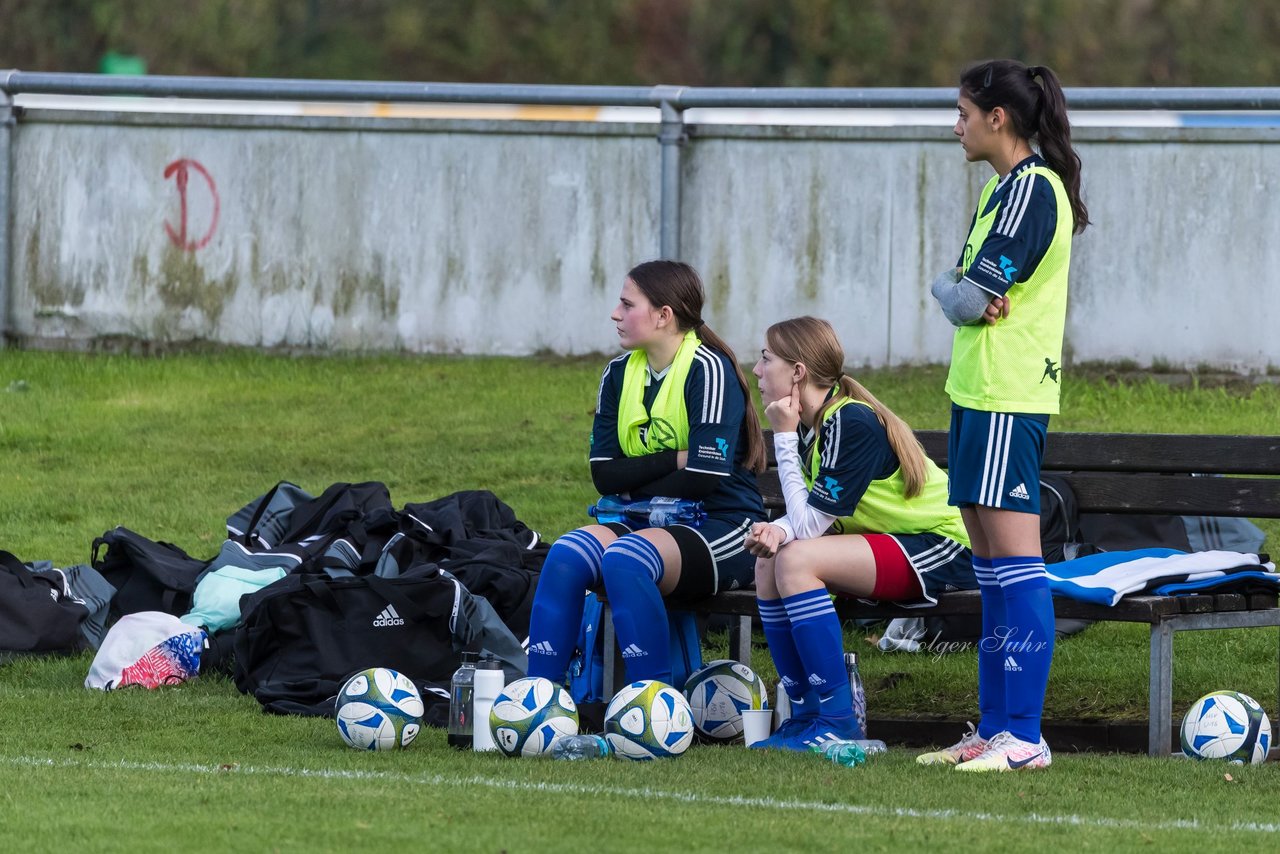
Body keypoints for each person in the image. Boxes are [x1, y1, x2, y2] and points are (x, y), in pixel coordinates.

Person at [920, 59, 1089, 772]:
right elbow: (956, 288)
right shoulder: (998, 193)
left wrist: (956, 288)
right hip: (975, 394)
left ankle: (1025, 735)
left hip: (1007, 396)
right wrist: (953, 286)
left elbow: (966, 298)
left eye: (963, 113)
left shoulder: (1030, 190)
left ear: (998, 118)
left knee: (1018, 567)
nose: (955, 126)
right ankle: (993, 729)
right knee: (989, 571)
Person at [525, 260, 766, 689]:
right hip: (642, 520)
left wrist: (632, 480)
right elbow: (604, 475)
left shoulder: (708, 370)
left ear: (663, 315)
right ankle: (540, 700)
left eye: (626, 303)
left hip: (722, 524)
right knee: (565, 555)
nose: (615, 314)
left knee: (626, 559)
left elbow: (704, 479)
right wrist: (675, 459)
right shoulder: (618, 374)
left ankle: (652, 708)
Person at [745, 316, 974, 751]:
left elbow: (811, 527)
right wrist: (775, 530)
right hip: (897, 543)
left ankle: (838, 721)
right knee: (769, 560)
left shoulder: (849, 421)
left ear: (798, 372)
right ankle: (805, 714)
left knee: (796, 559)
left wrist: (783, 440)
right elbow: (812, 514)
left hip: (945, 544)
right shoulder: (823, 424)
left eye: (765, 358)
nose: (756, 370)